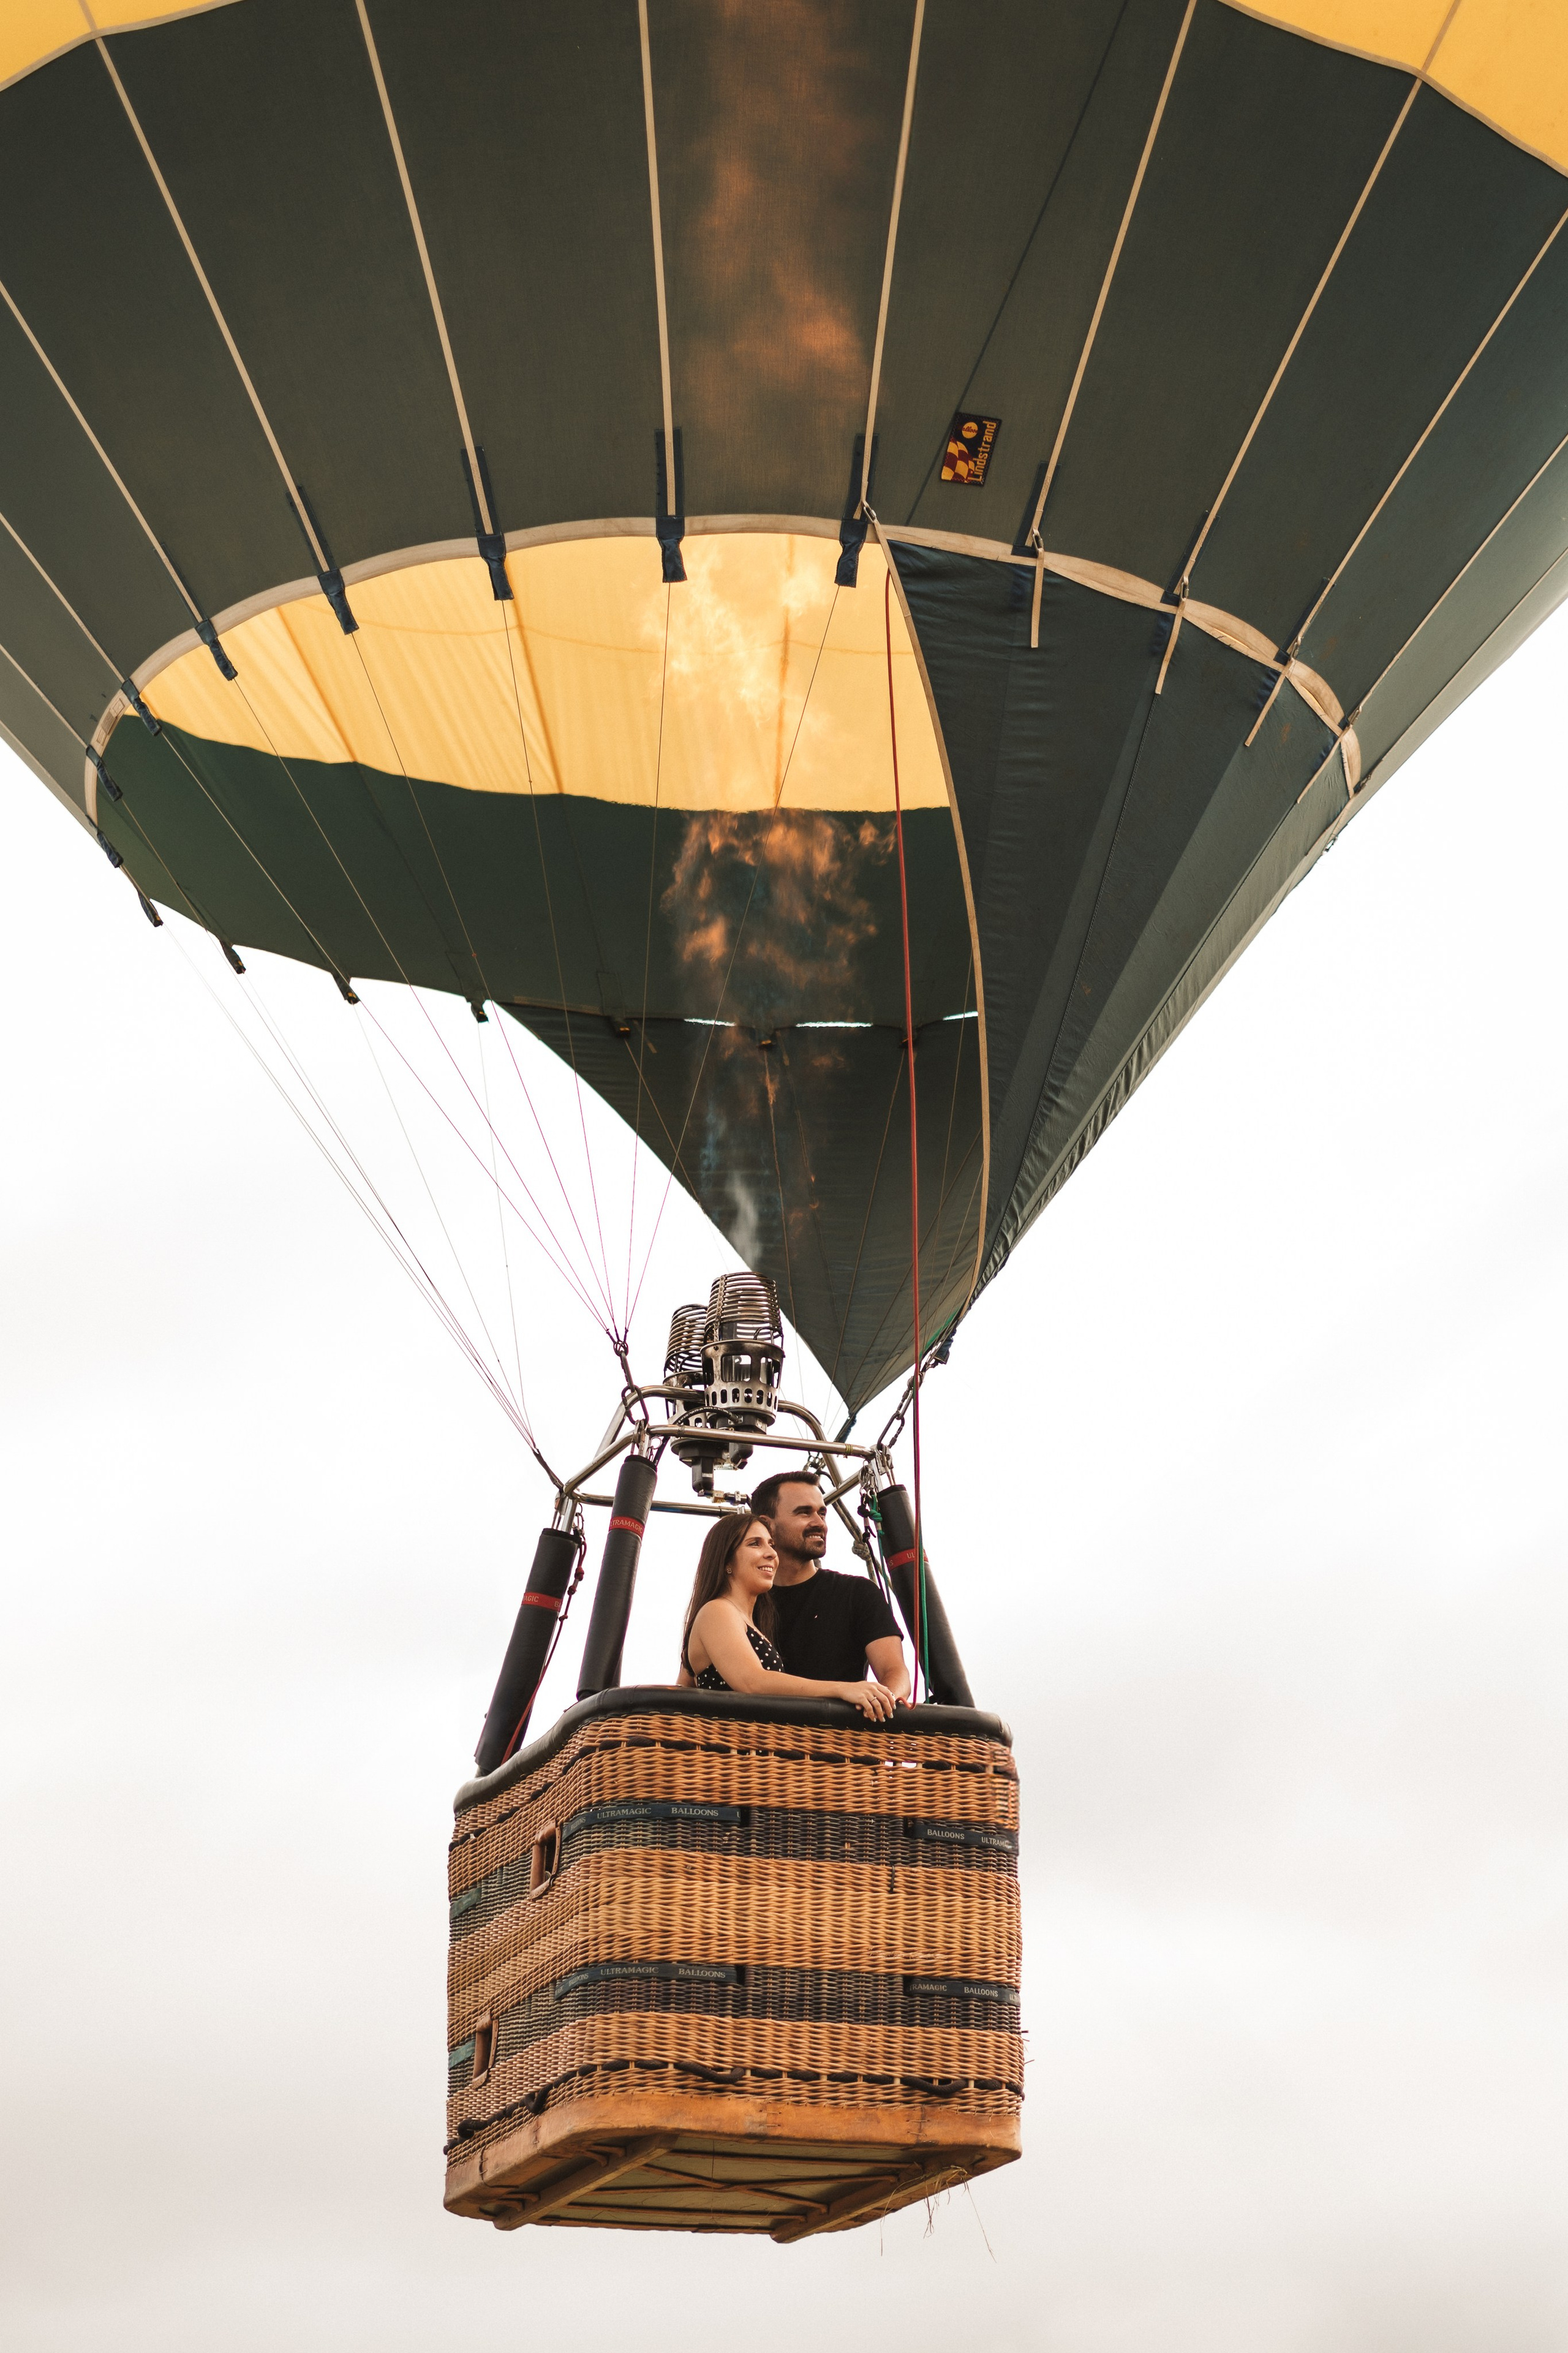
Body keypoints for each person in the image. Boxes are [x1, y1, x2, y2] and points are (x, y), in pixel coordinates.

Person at [680, 1512, 897, 1721]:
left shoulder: (743, 1619)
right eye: (755, 1544)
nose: (771, 1554)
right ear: (726, 1561)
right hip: (732, 1745)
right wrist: (843, 1689)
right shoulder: (717, 1610)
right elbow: (751, 1682)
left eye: (771, 1544)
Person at [750, 1470, 911, 1702]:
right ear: (767, 1525)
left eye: (822, 1513)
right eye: (804, 1512)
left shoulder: (858, 1593)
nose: (819, 1523)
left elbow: (895, 1671)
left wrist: (887, 1700)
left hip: (842, 1727)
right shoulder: (742, 1601)